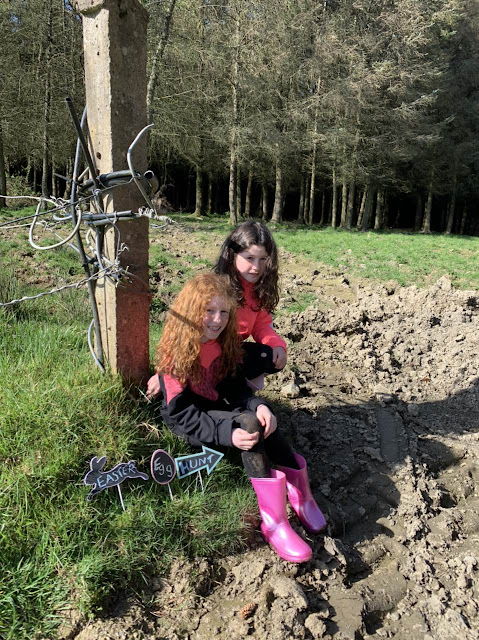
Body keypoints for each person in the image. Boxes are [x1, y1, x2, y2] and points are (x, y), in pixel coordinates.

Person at [154, 273, 326, 564]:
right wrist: (227, 434)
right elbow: (181, 413)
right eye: (209, 311)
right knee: (248, 424)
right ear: (191, 311)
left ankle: (300, 492)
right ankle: (273, 521)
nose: (217, 320)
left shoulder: (222, 343)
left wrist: (257, 404)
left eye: (224, 312)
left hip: (215, 407)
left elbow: (234, 389)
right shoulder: (174, 355)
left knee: (260, 417)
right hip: (191, 422)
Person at [213, 220, 287, 391]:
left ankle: (231, 388)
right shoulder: (215, 289)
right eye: (250, 258)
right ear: (233, 255)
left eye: (263, 259)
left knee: (268, 356)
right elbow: (188, 332)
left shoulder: (257, 290)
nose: (256, 267)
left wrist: (277, 344)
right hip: (206, 354)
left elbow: (262, 325)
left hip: (232, 353)